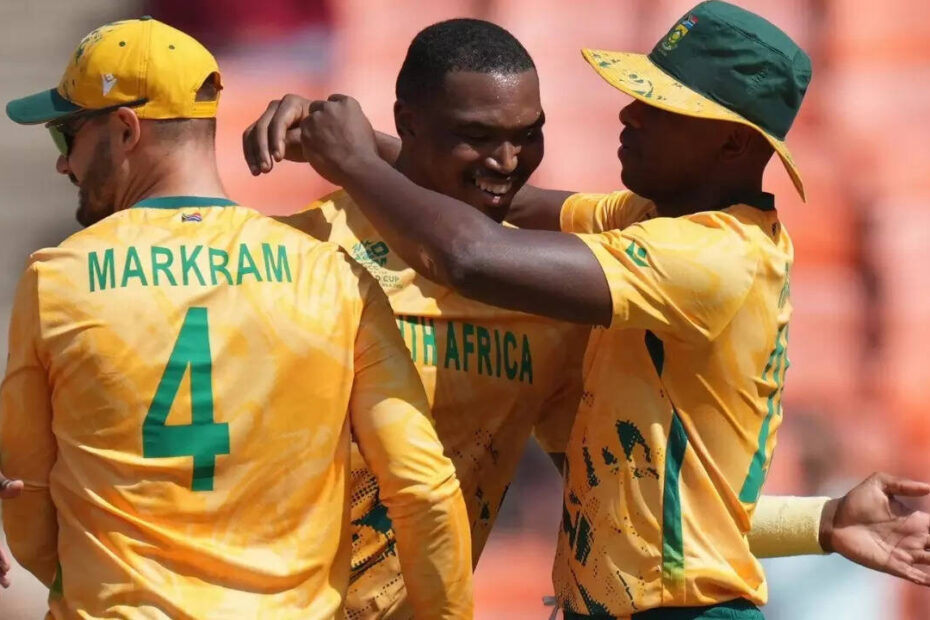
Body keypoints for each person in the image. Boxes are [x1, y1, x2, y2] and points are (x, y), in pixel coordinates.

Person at [242, 13, 930, 619]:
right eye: (638, 95)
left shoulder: (712, 258)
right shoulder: (652, 218)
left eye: (659, 107)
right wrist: (358, 142)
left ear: (731, 146)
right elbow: (501, 197)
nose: (629, 115)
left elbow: (471, 255)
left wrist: (354, 161)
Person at [0, 17, 472, 619]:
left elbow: (26, 494)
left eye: (66, 136)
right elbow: (423, 488)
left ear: (125, 130)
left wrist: (82, 582)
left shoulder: (58, 278)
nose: (64, 164)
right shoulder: (333, 276)